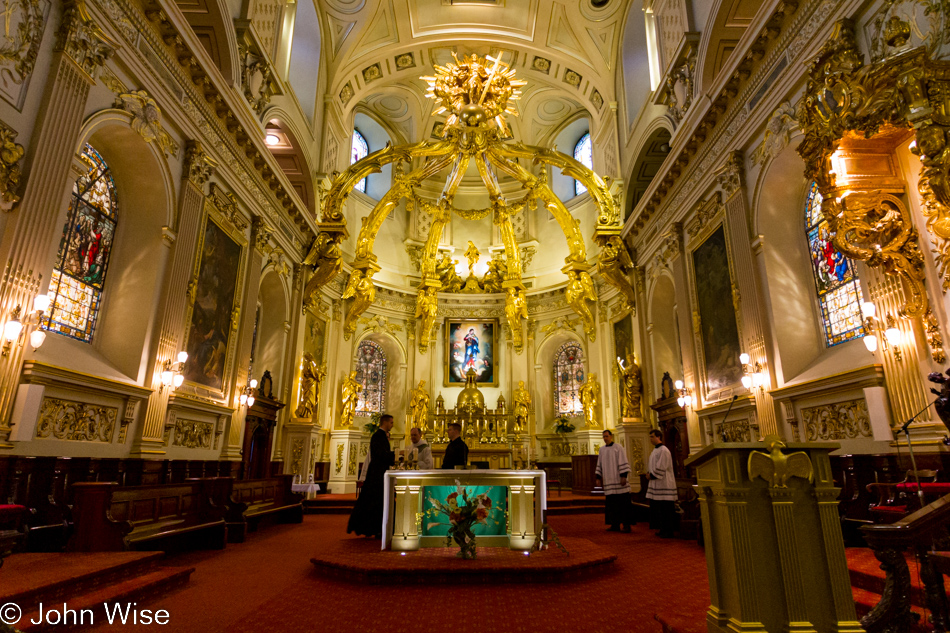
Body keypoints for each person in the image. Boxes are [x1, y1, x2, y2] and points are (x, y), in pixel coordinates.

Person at [347, 414, 395, 538]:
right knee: (374, 501)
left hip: (379, 472)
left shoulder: (381, 436)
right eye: (391, 422)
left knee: (377, 501)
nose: (392, 425)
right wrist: (394, 456)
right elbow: (380, 455)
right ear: (385, 423)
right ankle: (373, 528)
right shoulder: (378, 436)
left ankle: (376, 528)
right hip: (376, 475)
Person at [594, 429, 633, 532]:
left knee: (623, 504)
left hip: (619, 480)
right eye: (604, 437)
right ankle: (614, 524)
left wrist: (623, 476)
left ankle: (626, 525)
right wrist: (598, 477)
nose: (605, 438)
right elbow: (599, 464)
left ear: (611, 436)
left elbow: (623, 461)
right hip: (608, 481)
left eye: (607, 436)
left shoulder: (618, 447)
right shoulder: (602, 450)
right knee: (612, 505)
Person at [647, 428, 677, 538]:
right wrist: (648, 473)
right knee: (661, 509)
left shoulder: (664, 450)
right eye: (650, 437)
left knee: (666, 509)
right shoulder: (655, 450)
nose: (650, 439)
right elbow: (652, 465)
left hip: (664, 483)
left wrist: (652, 475)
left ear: (658, 437)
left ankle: (668, 530)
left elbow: (662, 466)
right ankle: (662, 528)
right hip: (657, 484)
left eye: (652, 436)